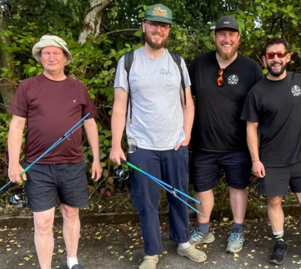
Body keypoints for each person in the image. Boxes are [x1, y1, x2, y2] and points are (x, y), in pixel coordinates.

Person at [109, 4, 206, 268]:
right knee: (147, 202)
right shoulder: (128, 61)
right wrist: (116, 144)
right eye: (153, 24)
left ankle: (183, 242)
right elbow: (119, 106)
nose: (158, 29)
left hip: (175, 144)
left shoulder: (177, 61)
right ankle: (151, 252)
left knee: (179, 195)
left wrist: (186, 136)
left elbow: (189, 103)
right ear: (144, 26)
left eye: (163, 26)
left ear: (169, 30)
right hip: (141, 147)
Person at [7, 35, 102, 269]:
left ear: (65, 58)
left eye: (56, 53)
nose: (51, 57)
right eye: (46, 53)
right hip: (37, 167)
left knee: (71, 213)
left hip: (73, 165)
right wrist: (13, 163)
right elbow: (17, 125)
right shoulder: (27, 86)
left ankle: (72, 261)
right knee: (42, 221)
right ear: (40, 57)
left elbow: (89, 123)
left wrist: (97, 160)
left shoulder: (78, 88)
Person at [241, 37, 301, 268]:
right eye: (270, 55)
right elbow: (251, 127)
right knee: (275, 201)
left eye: (280, 54)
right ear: (264, 60)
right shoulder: (256, 92)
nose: (276, 59)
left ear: (288, 57)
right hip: (271, 159)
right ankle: (279, 241)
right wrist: (255, 159)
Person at [187, 15, 263, 253]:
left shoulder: (251, 68)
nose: (226, 39)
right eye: (222, 34)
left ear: (238, 38)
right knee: (202, 188)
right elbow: (184, 99)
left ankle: (237, 231)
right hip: (203, 143)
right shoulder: (198, 64)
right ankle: (203, 230)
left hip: (238, 145)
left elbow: (262, 107)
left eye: (231, 34)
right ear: (215, 37)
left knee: (238, 187)